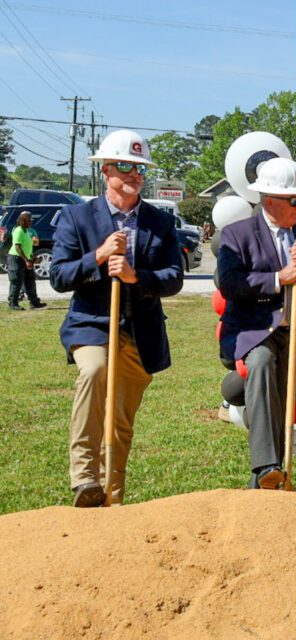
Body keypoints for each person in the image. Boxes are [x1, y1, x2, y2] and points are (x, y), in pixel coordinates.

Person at [50, 129, 183, 507]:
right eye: (125, 166)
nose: (134, 174)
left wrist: (135, 277)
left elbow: (174, 278)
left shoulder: (160, 222)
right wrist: (99, 256)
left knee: (121, 419)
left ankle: (111, 495)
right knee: (94, 371)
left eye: (140, 168)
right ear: (105, 170)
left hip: (140, 332)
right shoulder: (77, 217)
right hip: (91, 325)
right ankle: (84, 477)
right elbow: (59, 276)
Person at [218, 158, 296, 489]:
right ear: (270, 200)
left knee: (282, 404)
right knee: (261, 364)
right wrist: (278, 278)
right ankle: (266, 465)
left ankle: (267, 481)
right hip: (256, 332)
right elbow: (230, 284)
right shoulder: (237, 234)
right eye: (294, 200)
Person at [8, 211, 46, 310]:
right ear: (23, 221)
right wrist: (26, 261)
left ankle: (34, 302)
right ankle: (13, 303)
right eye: (29, 220)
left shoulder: (26, 231)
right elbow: (18, 248)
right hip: (16, 258)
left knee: (30, 280)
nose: (31, 222)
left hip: (26, 258)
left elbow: (27, 247)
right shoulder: (18, 230)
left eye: (31, 221)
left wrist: (32, 258)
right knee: (16, 281)